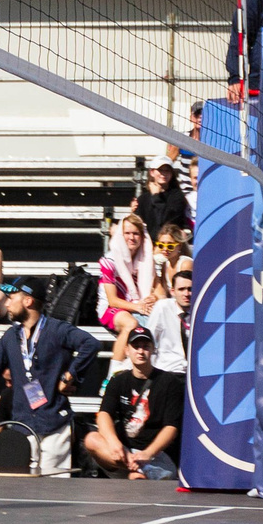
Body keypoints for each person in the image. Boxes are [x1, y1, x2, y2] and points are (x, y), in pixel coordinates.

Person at [0, 277, 99, 476]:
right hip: (22, 426)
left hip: (54, 425)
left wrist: (70, 376)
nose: (6, 303)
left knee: (54, 488)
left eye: (11, 297)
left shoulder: (57, 330)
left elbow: (91, 344)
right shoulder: (10, 337)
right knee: (24, 489)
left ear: (28, 301)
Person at [85, 327, 183, 481]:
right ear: (126, 350)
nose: (140, 351)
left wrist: (148, 453)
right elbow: (104, 414)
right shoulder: (118, 381)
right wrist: (114, 443)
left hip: (156, 455)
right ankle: (138, 467)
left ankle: (142, 470)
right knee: (91, 439)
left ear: (153, 350)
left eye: (145, 346)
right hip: (123, 454)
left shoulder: (169, 382)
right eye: (136, 347)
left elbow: (171, 428)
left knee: (135, 476)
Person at [98, 212, 163, 340]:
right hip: (111, 308)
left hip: (139, 306)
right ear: (121, 235)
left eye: (136, 233)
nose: (131, 237)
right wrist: (139, 307)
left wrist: (153, 297)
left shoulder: (147, 259)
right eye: (127, 233)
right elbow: (112, 300)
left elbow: (159, 289)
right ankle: (117, 360)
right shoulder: (109, 261)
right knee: (132, 324)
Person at [144, 265, 191, 376]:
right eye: (181, 289)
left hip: (192, 374)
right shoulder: (163, 307)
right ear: (172, 291)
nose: (186, 294)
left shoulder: (202, 312)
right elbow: (149, 337)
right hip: (166, 371)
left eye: (190, 289)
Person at [132, 161, 191, 237]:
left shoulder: (178, 197)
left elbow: (164, 222)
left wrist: (156, 197)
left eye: (167, 170)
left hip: (170, 243)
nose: (163, 174)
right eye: (160, 170)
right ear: (152, 172)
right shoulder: (142, 199)